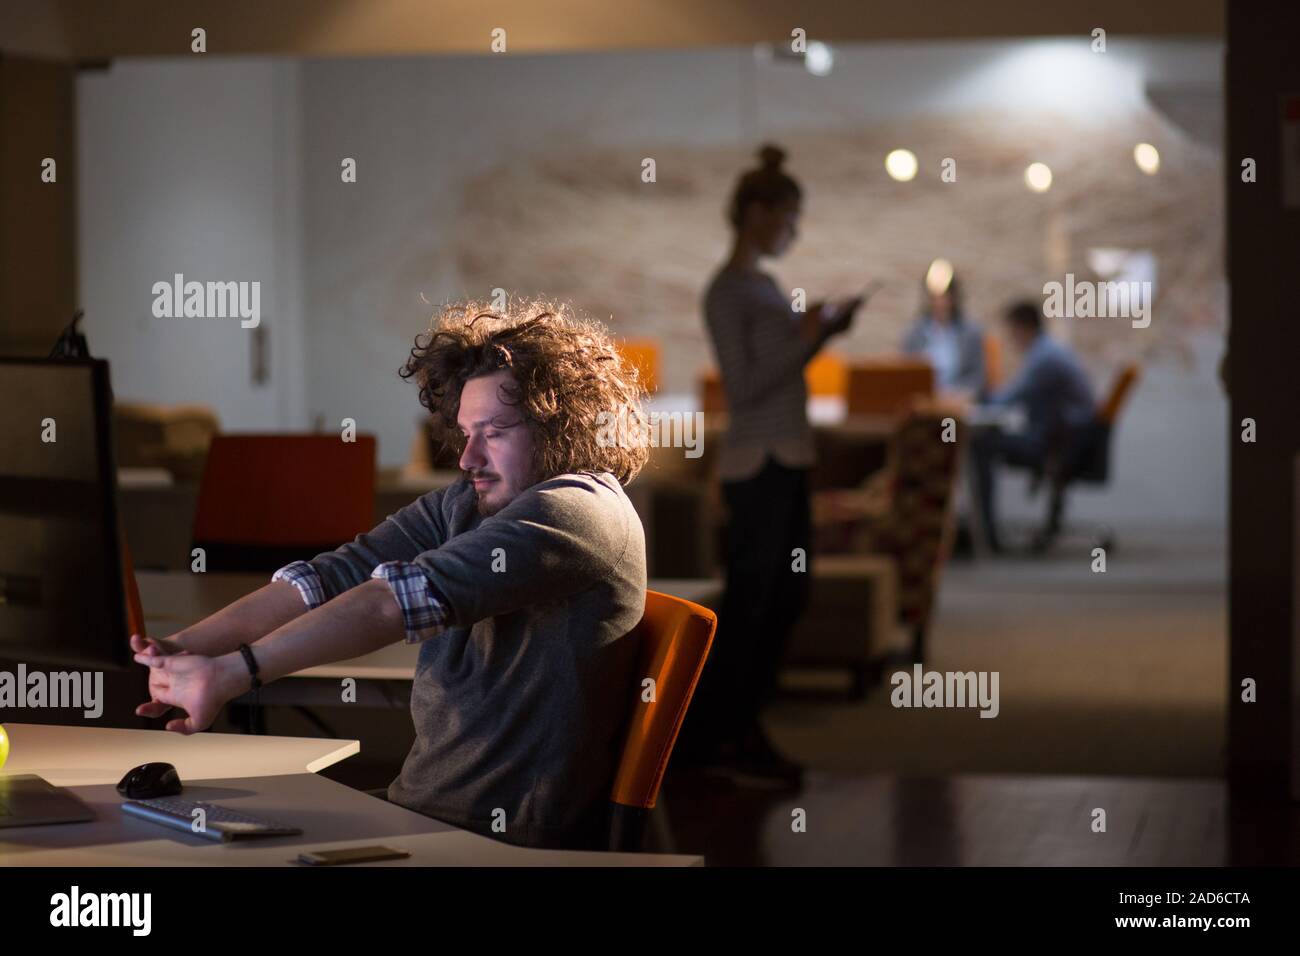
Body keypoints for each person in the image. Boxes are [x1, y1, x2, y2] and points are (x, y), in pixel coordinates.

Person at [130, 299, 650, 851]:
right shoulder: (466, 504)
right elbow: (332, 578)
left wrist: (234, 673)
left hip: (493, 844)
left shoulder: (578, 510)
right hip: (421, 814)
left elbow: (389, 603)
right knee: (184, 835)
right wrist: (179, 648)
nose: (468, 457)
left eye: (495, 432)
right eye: (465, 431)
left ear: (558, 426)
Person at [676, 144, 864, 787]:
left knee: (786, 596)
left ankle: (734, 729)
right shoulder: (728, 291)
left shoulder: (761, 285)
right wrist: (811, 338)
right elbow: (745, 386)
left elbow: (776, 375)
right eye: (788, 216)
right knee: (757, 602)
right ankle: (722, 735)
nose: (793, 230)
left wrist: (818, 337)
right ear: (756, 212)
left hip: (785, 458)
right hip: (757, 464)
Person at [972, 300, 1096, 552]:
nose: (1011, 339)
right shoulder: (1048, 351)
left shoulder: (1045, 359)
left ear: (1024, 327)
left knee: (980, 444)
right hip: (1067, 439)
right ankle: (982, 531)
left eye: (1012, 331)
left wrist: (975, 401)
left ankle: (986, 535)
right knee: (987, 437)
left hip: (1060, 445)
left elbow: (1009, 399)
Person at [900, 263, 986, 395]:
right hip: (924, 402)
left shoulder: (971, 333)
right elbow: (905, 373)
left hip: (957, 402)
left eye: (945, 296)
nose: (940, 302)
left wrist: (960, 394)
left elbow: (977, 378)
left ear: (954, 297)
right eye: (935, 297)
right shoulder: (914, 333)